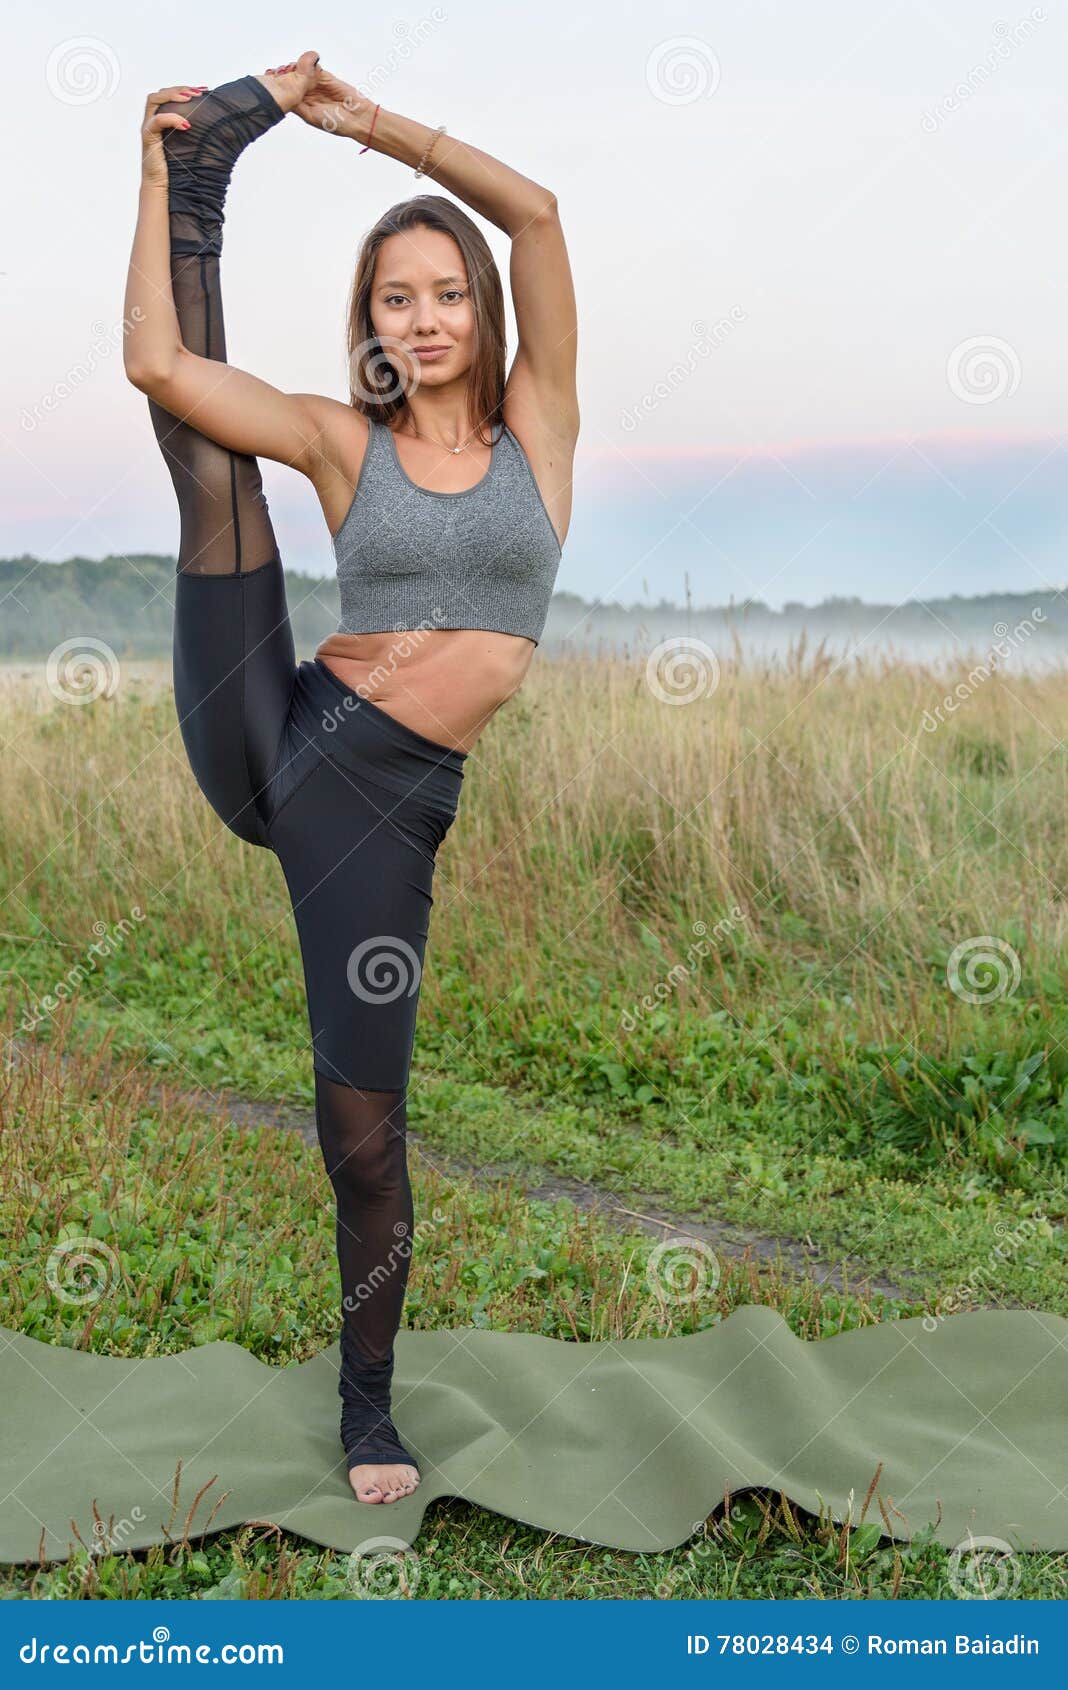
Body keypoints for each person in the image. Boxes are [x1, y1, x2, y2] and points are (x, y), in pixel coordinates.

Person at [123, 51, 579, 1506]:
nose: (426, 315)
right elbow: (161, 368)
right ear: (371, 323)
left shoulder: (540, 426)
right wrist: (153, 185)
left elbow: (545, 215)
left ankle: (365, 1401)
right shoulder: (347, 441)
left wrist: (370, 127)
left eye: (446, 291)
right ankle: (201, 185)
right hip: (281, 739)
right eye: (397, 298)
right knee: (213, 469)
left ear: (480, 309)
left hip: (390, 807)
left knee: (364, 1129)